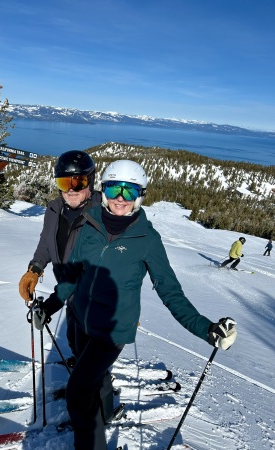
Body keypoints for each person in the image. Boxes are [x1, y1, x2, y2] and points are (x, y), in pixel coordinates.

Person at [33, 160, 237, 450]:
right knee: (88, 378)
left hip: (111, 331)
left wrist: (207, 329)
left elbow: (171, 293)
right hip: (80, 319)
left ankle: (91, 439)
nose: (120, 198)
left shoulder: (148, 240)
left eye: (129, 192)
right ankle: (100, 416)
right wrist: (50, 307)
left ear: (140, 196)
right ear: (103, 190)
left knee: (78, 393)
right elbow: (72, 277)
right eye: (115, 188)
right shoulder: (89, 223)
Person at [18, 150, 101, 367]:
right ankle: (80, 371)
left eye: (79, 182)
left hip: (93, 299)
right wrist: (35, 268)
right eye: (65, 183)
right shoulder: (54, 209)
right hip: (69, 293)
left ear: (90, 182)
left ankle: (94, 396)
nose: (71, 190)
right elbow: (46, 242)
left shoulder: (103, 215)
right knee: (74, 339)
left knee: (91, 356)